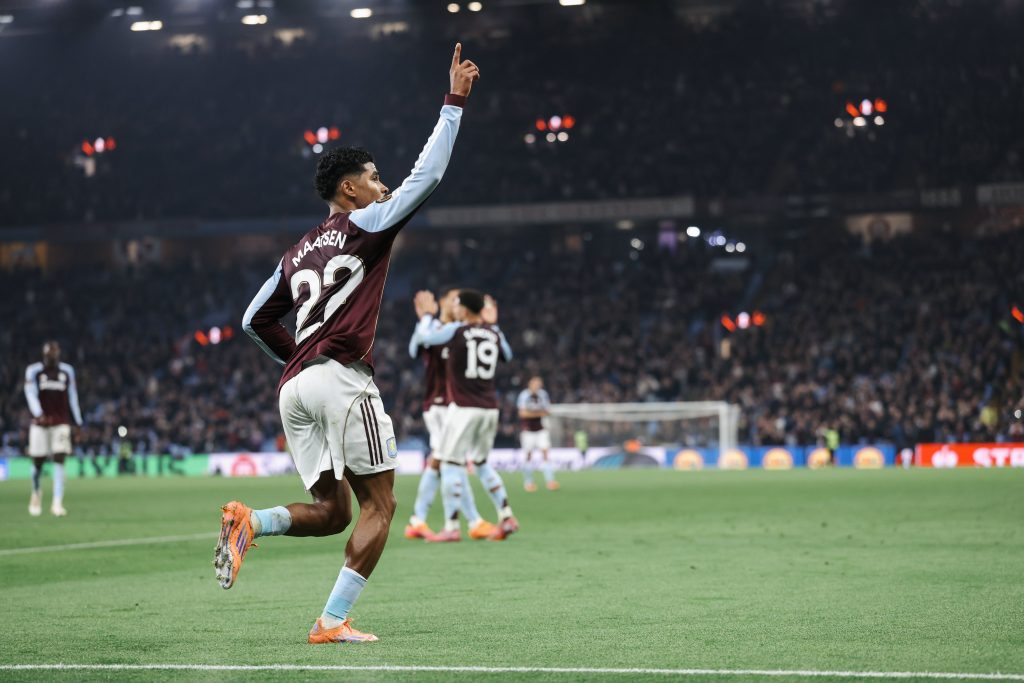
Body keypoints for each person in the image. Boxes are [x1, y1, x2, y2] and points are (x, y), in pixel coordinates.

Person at [216, 44, 480, 644]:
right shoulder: (366, 223)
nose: (384, 187)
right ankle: (331, 622)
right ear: (350, 189)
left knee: (335, 513)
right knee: (381, 505)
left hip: (295, 387)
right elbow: (429, 177)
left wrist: (301, 355)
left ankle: (249, 521)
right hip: (339, 378)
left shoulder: (296, 251)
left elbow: (254, 319)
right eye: (374, 178)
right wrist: (454, 103)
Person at [415, 289, 519, 541]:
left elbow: (426, 338)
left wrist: (427, 316)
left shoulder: (456, 330)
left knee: (451, 464)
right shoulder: (493, 333)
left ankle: (451, 528)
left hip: (463, 407)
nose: (456, 308)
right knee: (482, 463)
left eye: (459, 304)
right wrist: (493, 324)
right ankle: (506, 515)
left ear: (465, 309)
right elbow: (508, 354)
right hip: (490, 408)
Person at [404, 288, 496, 541]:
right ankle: (473, 520)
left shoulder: (463, 331)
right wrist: (424, 319)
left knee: (441, 461)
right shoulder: (436, 327)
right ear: (443, 303)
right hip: (439, 403)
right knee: (451, 461)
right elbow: (414, 348)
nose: (457, 304)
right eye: (453, 299)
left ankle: (417, 520)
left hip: (456, 404)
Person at [23, 341, 83, 517]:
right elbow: (30, 393)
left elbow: (73, 397)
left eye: (54, 354)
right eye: (49, 354)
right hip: (40, 424)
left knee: (59, 459)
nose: (52, 357)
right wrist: (38, 413)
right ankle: (36, 491)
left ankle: (57, 502)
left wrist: (78, 422)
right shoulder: (33, 370)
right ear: (44, 355)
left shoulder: (67, 371)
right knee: (38, 462)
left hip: (61, 422)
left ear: (58, 354)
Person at [518, 376, 559, 491]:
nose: (537, 386)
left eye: (539, 384)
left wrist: (533, 413)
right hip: (528, 431)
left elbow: (547, 411)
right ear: (530, 384)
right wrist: (538, 413)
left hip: (541, 429)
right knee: (528, 456)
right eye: (535, 384)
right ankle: (528, 482)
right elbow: (522, 414)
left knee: (545, 453)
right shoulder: (524, 395)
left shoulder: (543, 395)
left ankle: (550, 481)